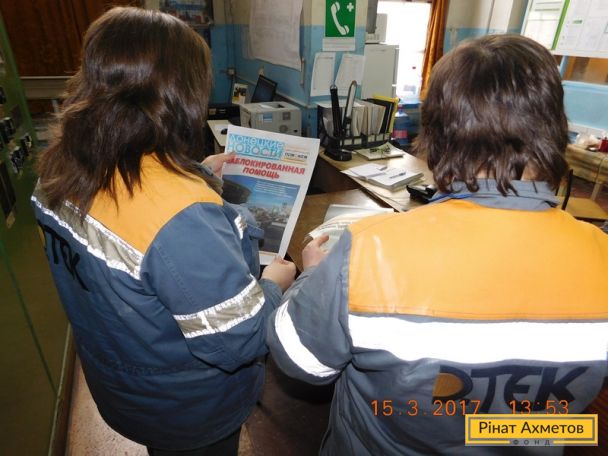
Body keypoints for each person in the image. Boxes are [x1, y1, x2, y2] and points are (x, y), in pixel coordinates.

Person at [267, 34, 608, 455]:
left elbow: (300, 361)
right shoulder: (601, 257)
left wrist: (315, 275)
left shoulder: (370, 253)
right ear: (554, 128)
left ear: (439, 134)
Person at [32, 7, 296, 455]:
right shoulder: (180, 215)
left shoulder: (59, 167)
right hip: (191, 410)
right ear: (178, 94)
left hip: (127, 383)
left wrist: (195, 173)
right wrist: (274, 283)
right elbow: (242, 339)